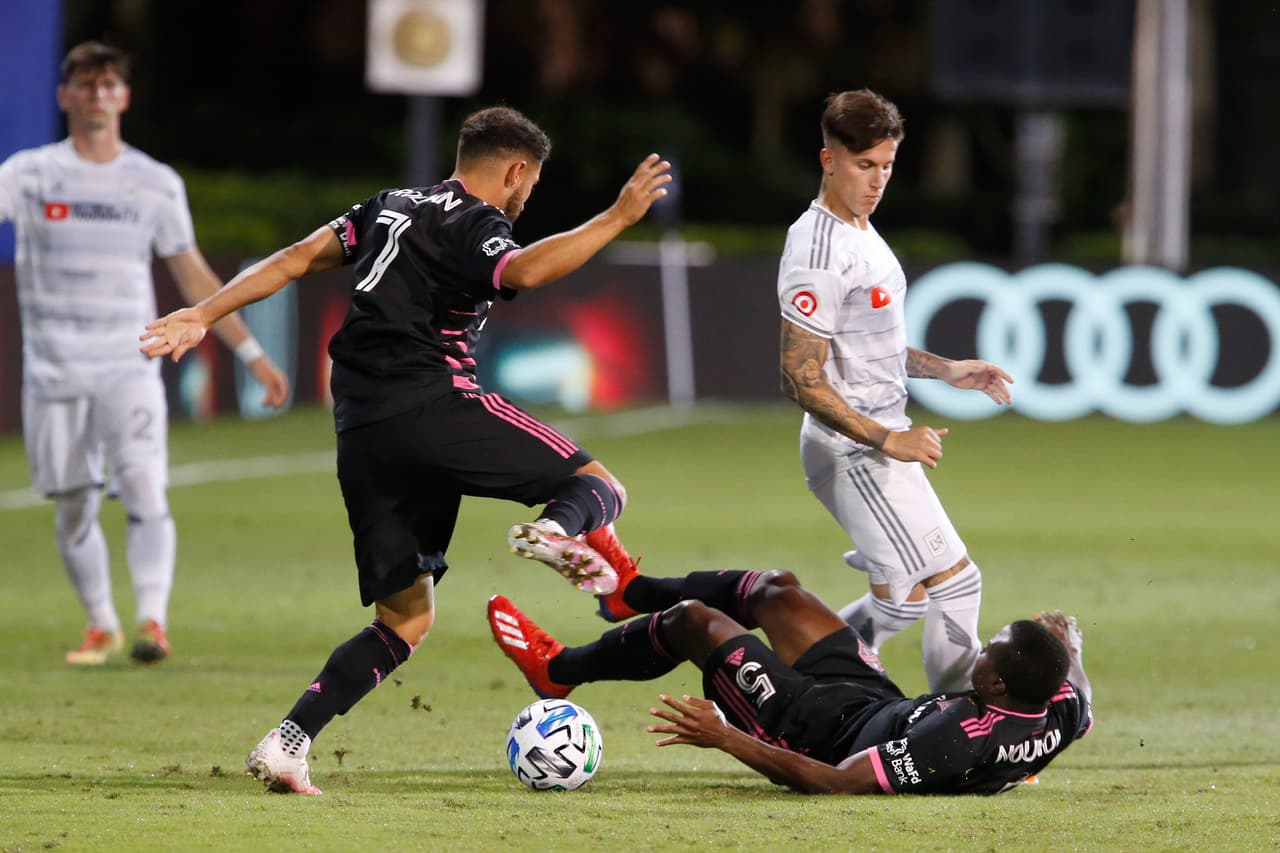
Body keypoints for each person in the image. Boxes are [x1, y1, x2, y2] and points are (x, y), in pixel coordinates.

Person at [140, 106, 672, 794]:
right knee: (598, 484)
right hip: (432, 402)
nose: (524, 198)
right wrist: (616, 218)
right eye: (530, 185)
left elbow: (296, 258)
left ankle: (288, 740)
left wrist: (202, 313)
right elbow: (524, 272)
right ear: (515, 170)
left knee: (405, 616)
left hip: (360, 428)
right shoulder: (476, 219)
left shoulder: (388, 207)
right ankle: (552, 529)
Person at [0, 41, 290, 667]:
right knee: (74, 503)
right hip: (52, 370)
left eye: (109, 85)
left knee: (143, 489)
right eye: (86, 84)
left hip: (129, 361)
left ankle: (152, 622)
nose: (98, 94)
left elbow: (191, 277)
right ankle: (100, 622)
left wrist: (251, 353)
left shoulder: (154, 183)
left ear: (124, 97)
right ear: (65, 95)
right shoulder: (27, 175)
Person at [775, 89, 1014, 693]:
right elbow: (800, 375)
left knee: (902, 602)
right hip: (855, 452)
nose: (877, 179)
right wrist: (889, 439)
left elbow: (865, 346)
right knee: (958, 584)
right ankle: (964, 735)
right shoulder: (819, 248)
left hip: (878, 446)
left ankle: (777, 690)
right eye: (864, 166)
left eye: (886, 165)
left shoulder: (862, 231)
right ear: (828, 160)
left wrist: (948, 370)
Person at [488, 566, 1092, 795]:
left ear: (993, 690)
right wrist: (1067, 644)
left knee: (696, 623)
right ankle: (628, 591)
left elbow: (836, 783)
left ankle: (557, 671)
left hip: (812, 727)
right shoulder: (1061, 709)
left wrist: (728, 738)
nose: (980, 651)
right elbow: (1076, 694)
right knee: (781, 591)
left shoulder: (956, 737)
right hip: (874, 701)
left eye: (990, 653)